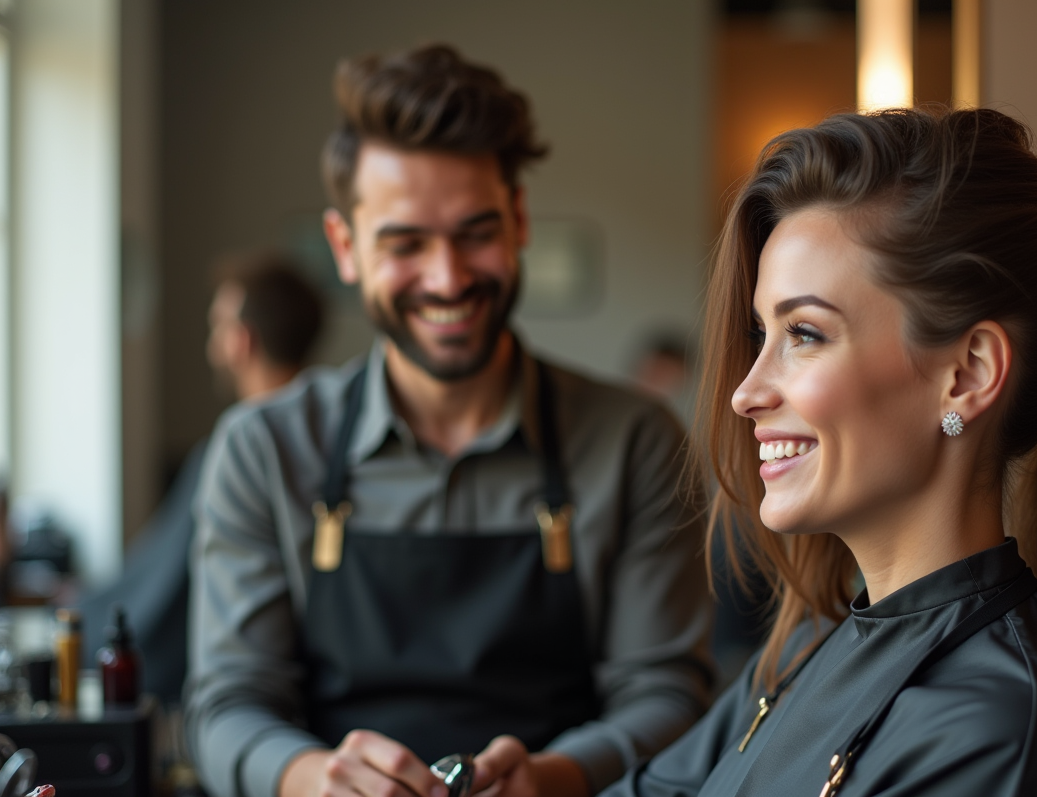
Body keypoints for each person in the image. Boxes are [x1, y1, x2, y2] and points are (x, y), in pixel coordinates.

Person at [600, 108, 1037, 797]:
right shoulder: (804, 648)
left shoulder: (999, 745)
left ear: (967, 375)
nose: (746, 393)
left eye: (806, 334)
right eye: (762, 332)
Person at [185, 45, 712, 797]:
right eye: (405, 244)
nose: (448, 278)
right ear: (346, 247)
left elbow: (667, 696)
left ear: (519, 218)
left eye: (475, 233)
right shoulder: (264, 448)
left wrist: (554, 776)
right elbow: (227, 705)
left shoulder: (635, 442)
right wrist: (312, 779)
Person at [79, 252, 325, 704]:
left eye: (217, 327)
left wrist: (75, 618)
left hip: (242, 700)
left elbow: (153, 602)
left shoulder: (229, 455)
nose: (213, 345)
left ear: (241, 342)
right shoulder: (337, 443)